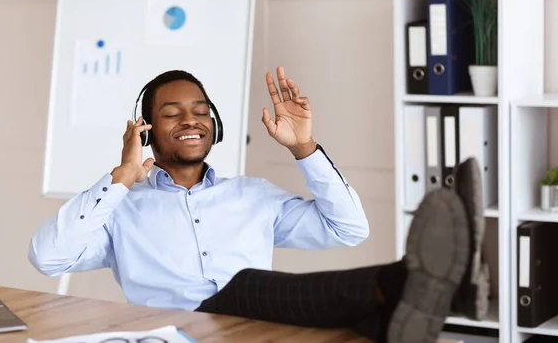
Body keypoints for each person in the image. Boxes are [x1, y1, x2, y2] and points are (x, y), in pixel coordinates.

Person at [29, 67, 484, 343]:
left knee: (353, 327)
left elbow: (349, 229)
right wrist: (122, 176)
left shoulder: (252, 195)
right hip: (183, 332)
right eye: (171, 113)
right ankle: (425, 280)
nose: (191, 119)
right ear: (145, 129)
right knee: (248, 285)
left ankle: (405, 307)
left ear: (215, 123)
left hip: (258, 327)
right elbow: (48, 258)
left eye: (201, 110)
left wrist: (304, 146)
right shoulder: (121, 209)